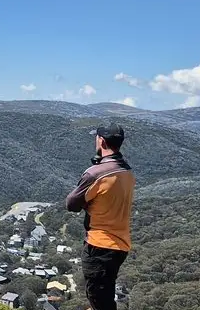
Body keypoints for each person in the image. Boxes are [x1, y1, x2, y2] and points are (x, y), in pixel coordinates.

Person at [65, 123, 134, 310]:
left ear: (101, 141)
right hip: (121, 244)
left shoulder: (95, 173)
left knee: (98, 299)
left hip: (100, 245)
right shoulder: (127, 172)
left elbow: (71, 204)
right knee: (104, 295)